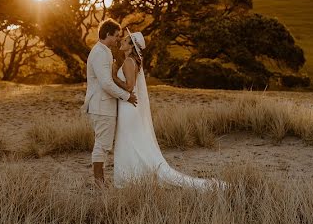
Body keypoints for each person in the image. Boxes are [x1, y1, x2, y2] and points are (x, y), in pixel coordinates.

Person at [111, 30, 225, 190]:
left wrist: (114, 78)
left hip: (128, 107)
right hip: (128, 107)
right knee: (131, 140)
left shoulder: (129, 62)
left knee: (128, 139)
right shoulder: (133, 61)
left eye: (125, 41)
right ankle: (133, 175)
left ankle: (131, 177)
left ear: (131, 46)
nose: (121, 42)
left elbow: (129, 87)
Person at [83, 19, 137, 186]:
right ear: (107, 34)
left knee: (103, 144)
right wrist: (127, 96)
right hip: (101, 105)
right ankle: (99, 184)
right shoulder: (99, 53)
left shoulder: (104, 51)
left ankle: (100, 181)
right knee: (102, 145)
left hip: (104, 105)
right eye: (115, 36)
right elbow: (106, 83)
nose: (117, 39)